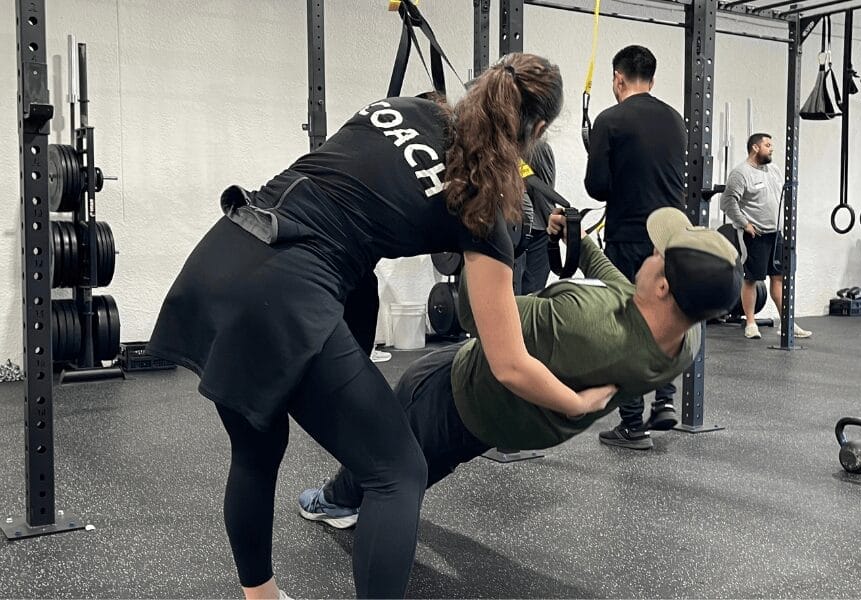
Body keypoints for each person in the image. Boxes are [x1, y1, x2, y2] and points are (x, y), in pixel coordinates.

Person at [146, 53, 618, 600]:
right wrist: (576, 404)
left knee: (255, 449)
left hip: (225, 249)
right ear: (536, 131)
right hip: (287, 291)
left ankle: (262, 597)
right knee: (397, 473)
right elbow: (509, 363)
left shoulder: (399, 108)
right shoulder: (482, 211)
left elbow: (379, 190)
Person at [297, 207, 743, 528]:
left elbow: (483, 315)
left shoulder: (583, 320)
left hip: (466, 391)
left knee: (390, 451)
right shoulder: (687, 337)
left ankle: (337, 503)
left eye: (658, 255)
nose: (649, 254)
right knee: (438, 456)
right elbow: (622, 288)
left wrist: (484, 237)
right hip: (518, 423)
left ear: (663, 285)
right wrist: (580, 241)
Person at [583, 45, 687, 450]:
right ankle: (664, 400)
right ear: (653, 80)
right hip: (670, 234)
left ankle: (632, 426)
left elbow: (598, 187)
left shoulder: (609, 120)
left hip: (628, 234)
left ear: (618, 78)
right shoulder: (675, 119)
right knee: (668, 316)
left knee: (630, 325)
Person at [720, 133, 812, 341]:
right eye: (767, 145)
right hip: (755, 234)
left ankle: (786, 323)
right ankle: (750, 323)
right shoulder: (741, 173)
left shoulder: (774, 170)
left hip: (776, 234)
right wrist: (745, 224)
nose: (771, 149)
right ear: (755, 147)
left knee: (779, 278)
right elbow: (727, 203)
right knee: (751, 279)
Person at [513, 140, 557, 294]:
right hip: (531, 233)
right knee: (529, 299)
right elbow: (546, 197)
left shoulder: (535, 146)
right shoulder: (536, 146)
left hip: (520, 231)